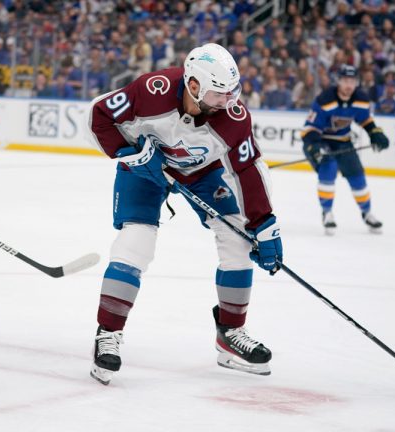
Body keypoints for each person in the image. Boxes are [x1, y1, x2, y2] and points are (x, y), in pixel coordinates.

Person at [87, 43, 283, 385]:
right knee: (137, 241)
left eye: (232, 92)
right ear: (194, 85)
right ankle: (109, 333)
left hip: (202, 173)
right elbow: (99, 115)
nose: (230, 101)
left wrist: (264, 224)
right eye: (220, 94)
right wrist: (130, 153)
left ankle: (231, 335)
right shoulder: (152, 90)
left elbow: (247, 168)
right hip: (144, 168)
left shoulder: (233, 119)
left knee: (238, 239)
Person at [301, 65, 390, 236]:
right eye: (345, 81)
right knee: (329, 169)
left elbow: (364, 119)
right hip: (321, 141)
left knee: (357, 176)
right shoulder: (325, 99)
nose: (349, 85)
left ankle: (367, 213)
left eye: (352, 81)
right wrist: (314, 147)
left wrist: (374, 132)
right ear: (339, 81)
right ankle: (327, 213)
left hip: (343, 142)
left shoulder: (361, 98)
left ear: (356, 83)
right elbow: (310, 129)